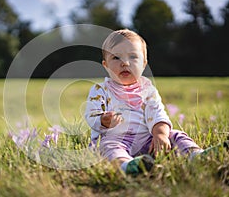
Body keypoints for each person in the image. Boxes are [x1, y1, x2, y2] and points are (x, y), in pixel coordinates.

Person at [84, 29, 205, 176]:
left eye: (133, 57)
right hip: (115, 139)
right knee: (108, 146)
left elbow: (157, 112)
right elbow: (91, 115)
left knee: (176, 135)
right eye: (116, 57)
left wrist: (160, 134)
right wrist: (103, 120)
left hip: (148, 141)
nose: (125, 63)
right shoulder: (100, 90)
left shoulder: (148, 89)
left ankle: (196, 155)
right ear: (106, 65)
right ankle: (126, 166)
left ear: (144, 64)